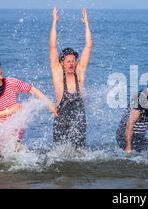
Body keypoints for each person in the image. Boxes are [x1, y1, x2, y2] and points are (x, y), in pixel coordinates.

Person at [0, 59, 57, 143]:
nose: (1, 77)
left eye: (1, 74)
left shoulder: (10, 82)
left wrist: (49, 104)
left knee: (14, 146)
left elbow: (32, 90)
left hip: (15, 124)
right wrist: (9, 111)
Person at [49, 6, 92, 149]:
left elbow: (88, 47)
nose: (71, 63)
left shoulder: (79, 72)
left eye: (73, 60)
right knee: (60, 153)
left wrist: (86, 24)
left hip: (79, 118)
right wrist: (54, 22)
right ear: (62, 63)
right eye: (68, 61)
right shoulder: (57, 73)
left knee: (80, 152)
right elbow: (53, 47)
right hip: (61, 119)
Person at [116, 72, 148, 153]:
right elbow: (130, 123)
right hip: (125, 136)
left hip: (137, 137)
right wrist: (128, 146)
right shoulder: (141, 98)